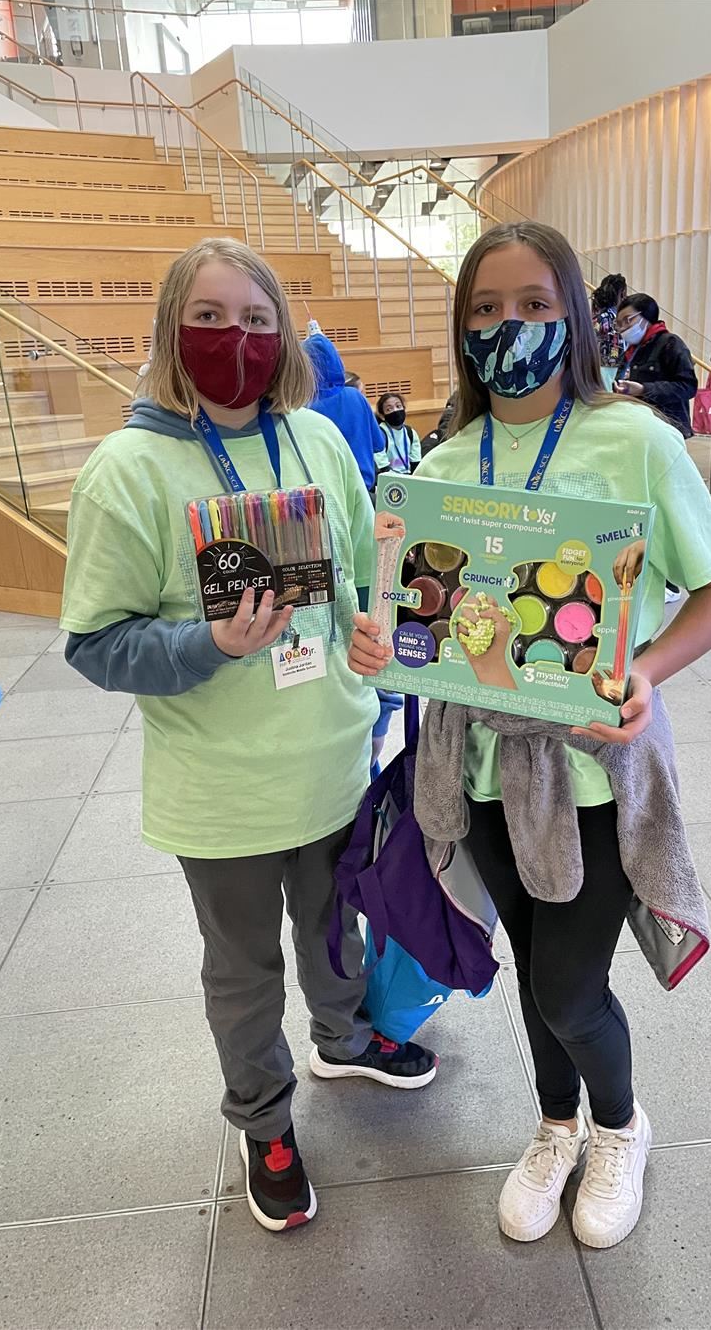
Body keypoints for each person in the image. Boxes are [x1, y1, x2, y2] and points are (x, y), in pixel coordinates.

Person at [349, 222, 711, 1252]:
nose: (507, 325)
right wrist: (378, 639)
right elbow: (417, 616)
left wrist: (648, 672)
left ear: (574, 314)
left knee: (573, 982)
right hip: (477, 764)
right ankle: (556, 1124)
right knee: (532, 969)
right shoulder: (440, 461)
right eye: (485, 308)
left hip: (594, 774)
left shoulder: (637, 440)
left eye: (532, 304)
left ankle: (619, 1127)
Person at [58, 237, 436, 1237]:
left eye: (259, 319)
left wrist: (371, 637)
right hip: (220, 791)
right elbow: (96, 644)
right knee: (243, 970)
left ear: (285, 332)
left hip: (332, 756)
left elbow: (362, 578)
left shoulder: (316, 439)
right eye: (214, 318)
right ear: (173, 332)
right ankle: (264, 1121)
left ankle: (346, 1033)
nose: (239, 339)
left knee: (333, 927)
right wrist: (210, 642)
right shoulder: (127, 471)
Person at [303, 331, 382, 496]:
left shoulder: (305, 408)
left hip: (329, 495)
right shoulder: (355, 396)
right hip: (364, 490)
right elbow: (379, 444)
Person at [613, 293, 698, 440]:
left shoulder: (670, 343)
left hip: (667, 428)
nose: (623, 328)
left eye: (628, 320)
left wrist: (644, 389)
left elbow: (688, 386)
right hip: (639, 426)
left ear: (646, 317)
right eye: (619, 323)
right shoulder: (631, 351)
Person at [591, 272, 627, 390]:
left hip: (609, 368)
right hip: (607, 370)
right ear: (621, 294)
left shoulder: (600, 317)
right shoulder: (608, 319)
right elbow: (613, 352)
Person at [374, 392, 421, 474]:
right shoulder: (380, 434)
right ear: (382, 416)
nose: (395, 410)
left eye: (398, 406)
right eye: (389, 409)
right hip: (390, 481)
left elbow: (416, 463)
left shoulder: (410, 432)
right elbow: (383, 467)